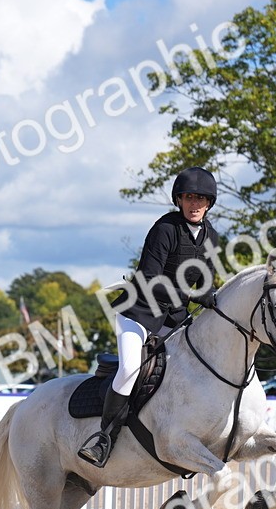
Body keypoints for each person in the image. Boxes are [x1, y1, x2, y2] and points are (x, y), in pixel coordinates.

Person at [78, 167, 220, 467]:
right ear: (179, 200)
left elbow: (206, 280)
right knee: (130, 368)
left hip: (176, 318)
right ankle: (104, 437)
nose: (195, 204)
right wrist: (194, 295)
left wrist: (210, 294)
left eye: (201, 199)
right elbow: (150, 277)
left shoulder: (212, 237)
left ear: (209, 203)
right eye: (189, 197)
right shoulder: (165, 229)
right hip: (140, 312)